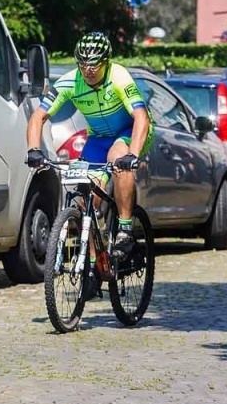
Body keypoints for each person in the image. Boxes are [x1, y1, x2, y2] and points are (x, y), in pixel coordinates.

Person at [25, 32, 154, 256]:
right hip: (98, 138)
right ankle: (94, 264)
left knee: (118, 159)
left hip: (128, 132)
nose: (88, 70)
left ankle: (124, 230)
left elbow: (141, 117)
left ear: (106, 61)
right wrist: (34, 150)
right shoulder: (69, 82)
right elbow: (38, 117)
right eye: (83, 64)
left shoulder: (119, 76)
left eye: (94, 64)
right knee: (86, 201)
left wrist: (132, 154)